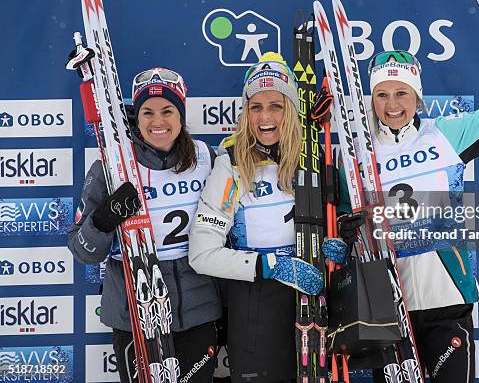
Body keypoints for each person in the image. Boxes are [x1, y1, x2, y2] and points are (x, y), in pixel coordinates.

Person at [338, 8, 479, 382]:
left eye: (402, 93)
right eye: (382, 94)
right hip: (387, 306)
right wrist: (346, 232)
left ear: (417, 95)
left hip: (447, 299)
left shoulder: (445, 134)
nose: (392, 104)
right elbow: (339, 221)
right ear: (371, 99)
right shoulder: (357, 154)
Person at [68, 67, 221, 383]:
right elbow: (82, 251)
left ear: (181, 114)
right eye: (147, 112)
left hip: (198, 311)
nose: (158, 121)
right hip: (135, 314)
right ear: (136, 118)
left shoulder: (207, 159)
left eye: (168, 110)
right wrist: (104, 220)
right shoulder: (111, 168)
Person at [189, 52, 330, 383]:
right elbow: (201, 255)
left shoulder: (314, 162)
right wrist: (268, 265)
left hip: (315, 306)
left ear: (291, 111)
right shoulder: (232, 167)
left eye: (276, 106)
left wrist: (336, 250)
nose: (265, 117)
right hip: (256, 311)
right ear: (246, 113)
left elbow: (334, 231)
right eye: (256, 106)